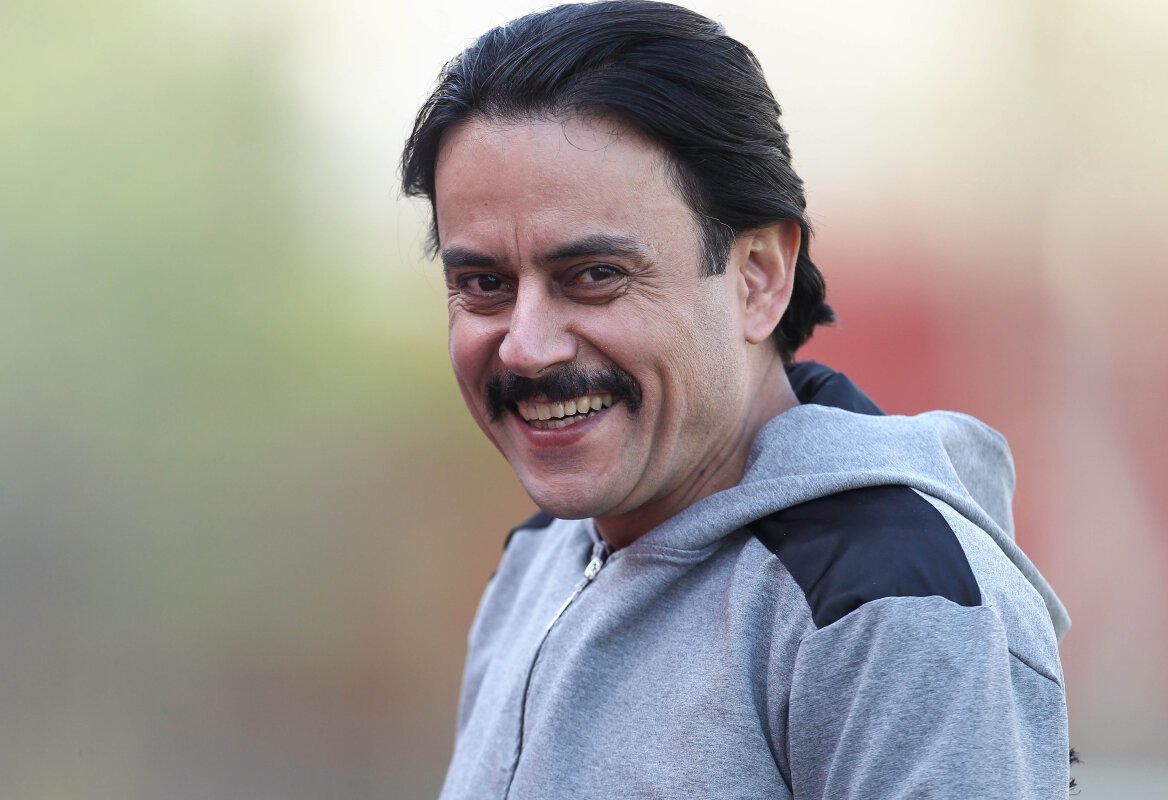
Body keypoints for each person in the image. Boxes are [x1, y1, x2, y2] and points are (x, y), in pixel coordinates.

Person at [400, 2, 1071, 797]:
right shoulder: (544, 554)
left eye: (594, 276)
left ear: (758, 278)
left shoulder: (888, 602)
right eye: (484, 284)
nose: (525, 346)